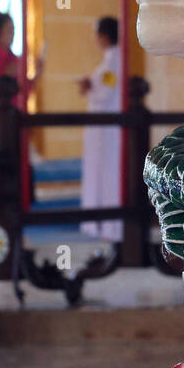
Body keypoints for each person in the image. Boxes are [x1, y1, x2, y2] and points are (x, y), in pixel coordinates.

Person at [78, 16, 122, 241]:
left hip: (106, 129)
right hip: (102, 128)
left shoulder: (113, 60)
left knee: (105, 170)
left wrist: (89, 88)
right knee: (101, 169)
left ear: (104, 36)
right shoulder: (109, 60)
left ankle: (107, 225)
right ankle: (100, 223)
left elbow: (105, 92)